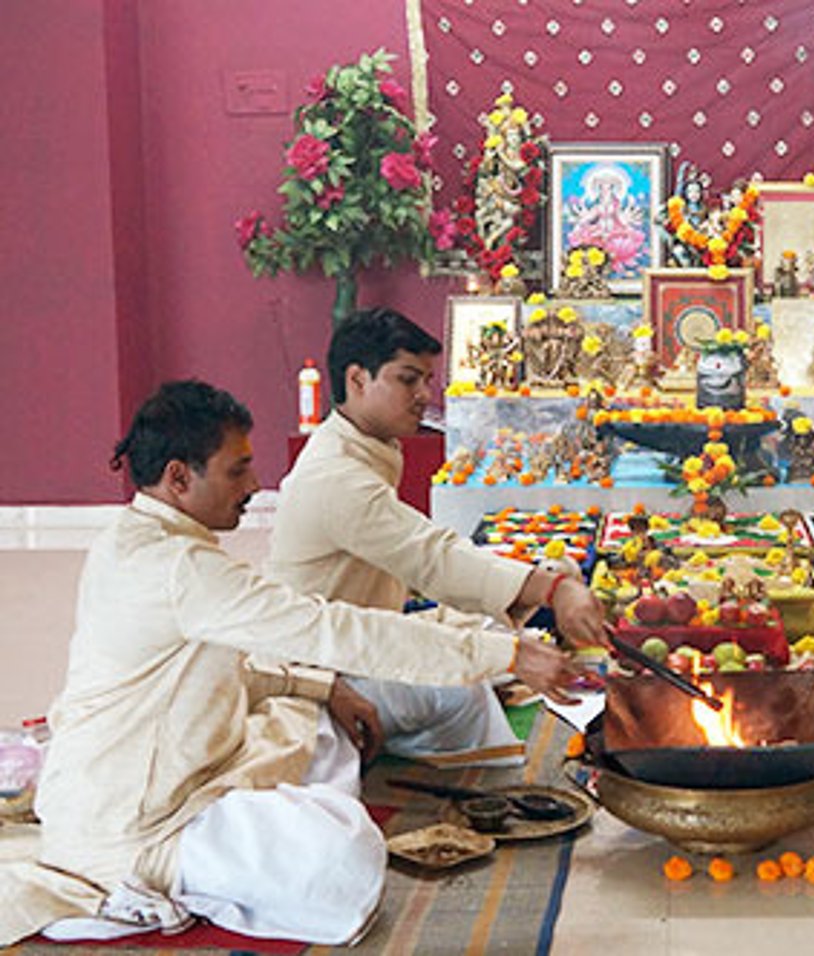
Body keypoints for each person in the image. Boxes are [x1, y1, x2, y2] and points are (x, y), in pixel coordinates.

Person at [0, 381, 577, 947]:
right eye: (237, 470)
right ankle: (160, 884)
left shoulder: (134, 536)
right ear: (179, 477)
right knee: (346, 855)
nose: (256, 484)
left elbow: (234, 667)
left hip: (191, 773)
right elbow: (333, 628)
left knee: (323, 733)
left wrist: (321, 689)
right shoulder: (180, 568)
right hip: (138, 827)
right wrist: (504, 653)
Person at [267, 308, 607, 766]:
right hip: (329, 672)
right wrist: (553, 588)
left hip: (366, 637)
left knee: (490, 630)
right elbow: (433, 558)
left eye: (426, 380)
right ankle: (442, 771)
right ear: (357, 379)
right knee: (460, 687)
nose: (425, 395)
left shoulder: (361, 447)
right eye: (409, 380)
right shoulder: (336, 476)